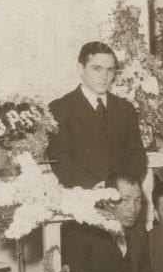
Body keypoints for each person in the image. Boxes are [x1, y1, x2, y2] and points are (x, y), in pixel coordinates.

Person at [47, 41, 147, 189]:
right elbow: (61, 159)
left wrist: (121, 187)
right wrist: (98, 188)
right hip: (83, 196)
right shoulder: (60, 108)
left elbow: (137, 156)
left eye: (110, 70)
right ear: (80, 69)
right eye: (97, 69)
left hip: (122, 197)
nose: (105, 76)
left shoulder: (125, 109)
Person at [61, 174, 147, 272]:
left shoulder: (139, 232)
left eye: (138, 200)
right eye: (125, 200)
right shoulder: (82, 233)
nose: (133, 208)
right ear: (107, 201)